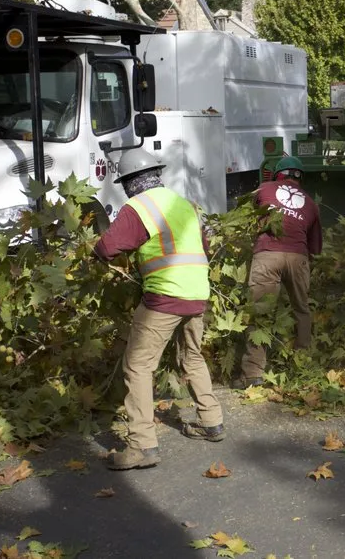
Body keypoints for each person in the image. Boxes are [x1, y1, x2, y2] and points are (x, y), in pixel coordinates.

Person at [94, 148, 224, 470]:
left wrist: (95, 253)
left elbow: (108, 248)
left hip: (165, 297)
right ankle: (211, 421)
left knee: (138, 366)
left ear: (130, 182)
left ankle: (142, 446)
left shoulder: (139, 207)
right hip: (198, 293)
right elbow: (204, 246)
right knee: (191, 356)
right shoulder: (185, 204)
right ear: (156, 174)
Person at [235, 156, 322, 389]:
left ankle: (253, 374)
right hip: (298, 257)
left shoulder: (264, 189)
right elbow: (315, 249)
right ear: (300, 178)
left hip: (267, 254)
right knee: (301, 309)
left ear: (277, 175)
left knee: (261, 311)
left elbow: (245, 216)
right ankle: (302, 364)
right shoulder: (311, 204)